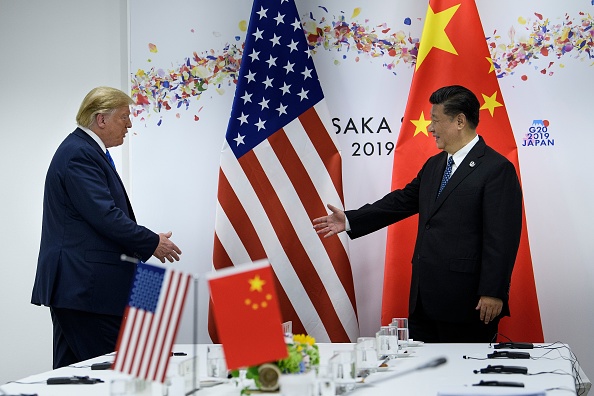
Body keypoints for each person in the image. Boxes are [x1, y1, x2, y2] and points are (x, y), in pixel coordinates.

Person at [313, 85, 522, 343]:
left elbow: (501, 238)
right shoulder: (435, 164)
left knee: (464, 378)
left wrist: (493, 292)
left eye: (435, 120)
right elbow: (402, 201)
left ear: (459, 121)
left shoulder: (496, 169)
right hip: (424, 300)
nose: (430, 128)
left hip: (468, 303)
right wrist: (351, 219)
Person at [31, 86, 183, 368]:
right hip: (85, 290)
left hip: (79, 291)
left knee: (72, 380)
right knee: (112, 374)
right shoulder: (79, 154)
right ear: (101, 119)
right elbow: (105, 216)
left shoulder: (83, 151)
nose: (129, 124)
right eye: (124, 117)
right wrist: (151, 242)